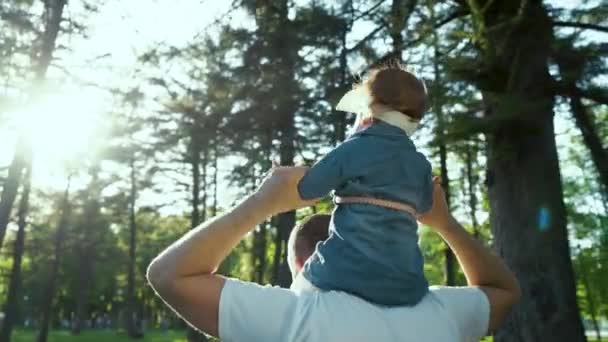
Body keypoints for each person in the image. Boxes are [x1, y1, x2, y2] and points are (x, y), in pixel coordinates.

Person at [147, 167, 520, 341]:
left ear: (303, 265)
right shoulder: (440, 311)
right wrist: (445, 222)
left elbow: (169, 275)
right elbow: (503, 291)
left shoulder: (292, 317)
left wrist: (262, 203)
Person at [296, 65, 433, 305]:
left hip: (342, 276)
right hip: (407, 287)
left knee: (297, 291)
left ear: (370, 105)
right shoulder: (421, 165)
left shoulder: (353, 149)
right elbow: (425, 207)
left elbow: (308, 189)